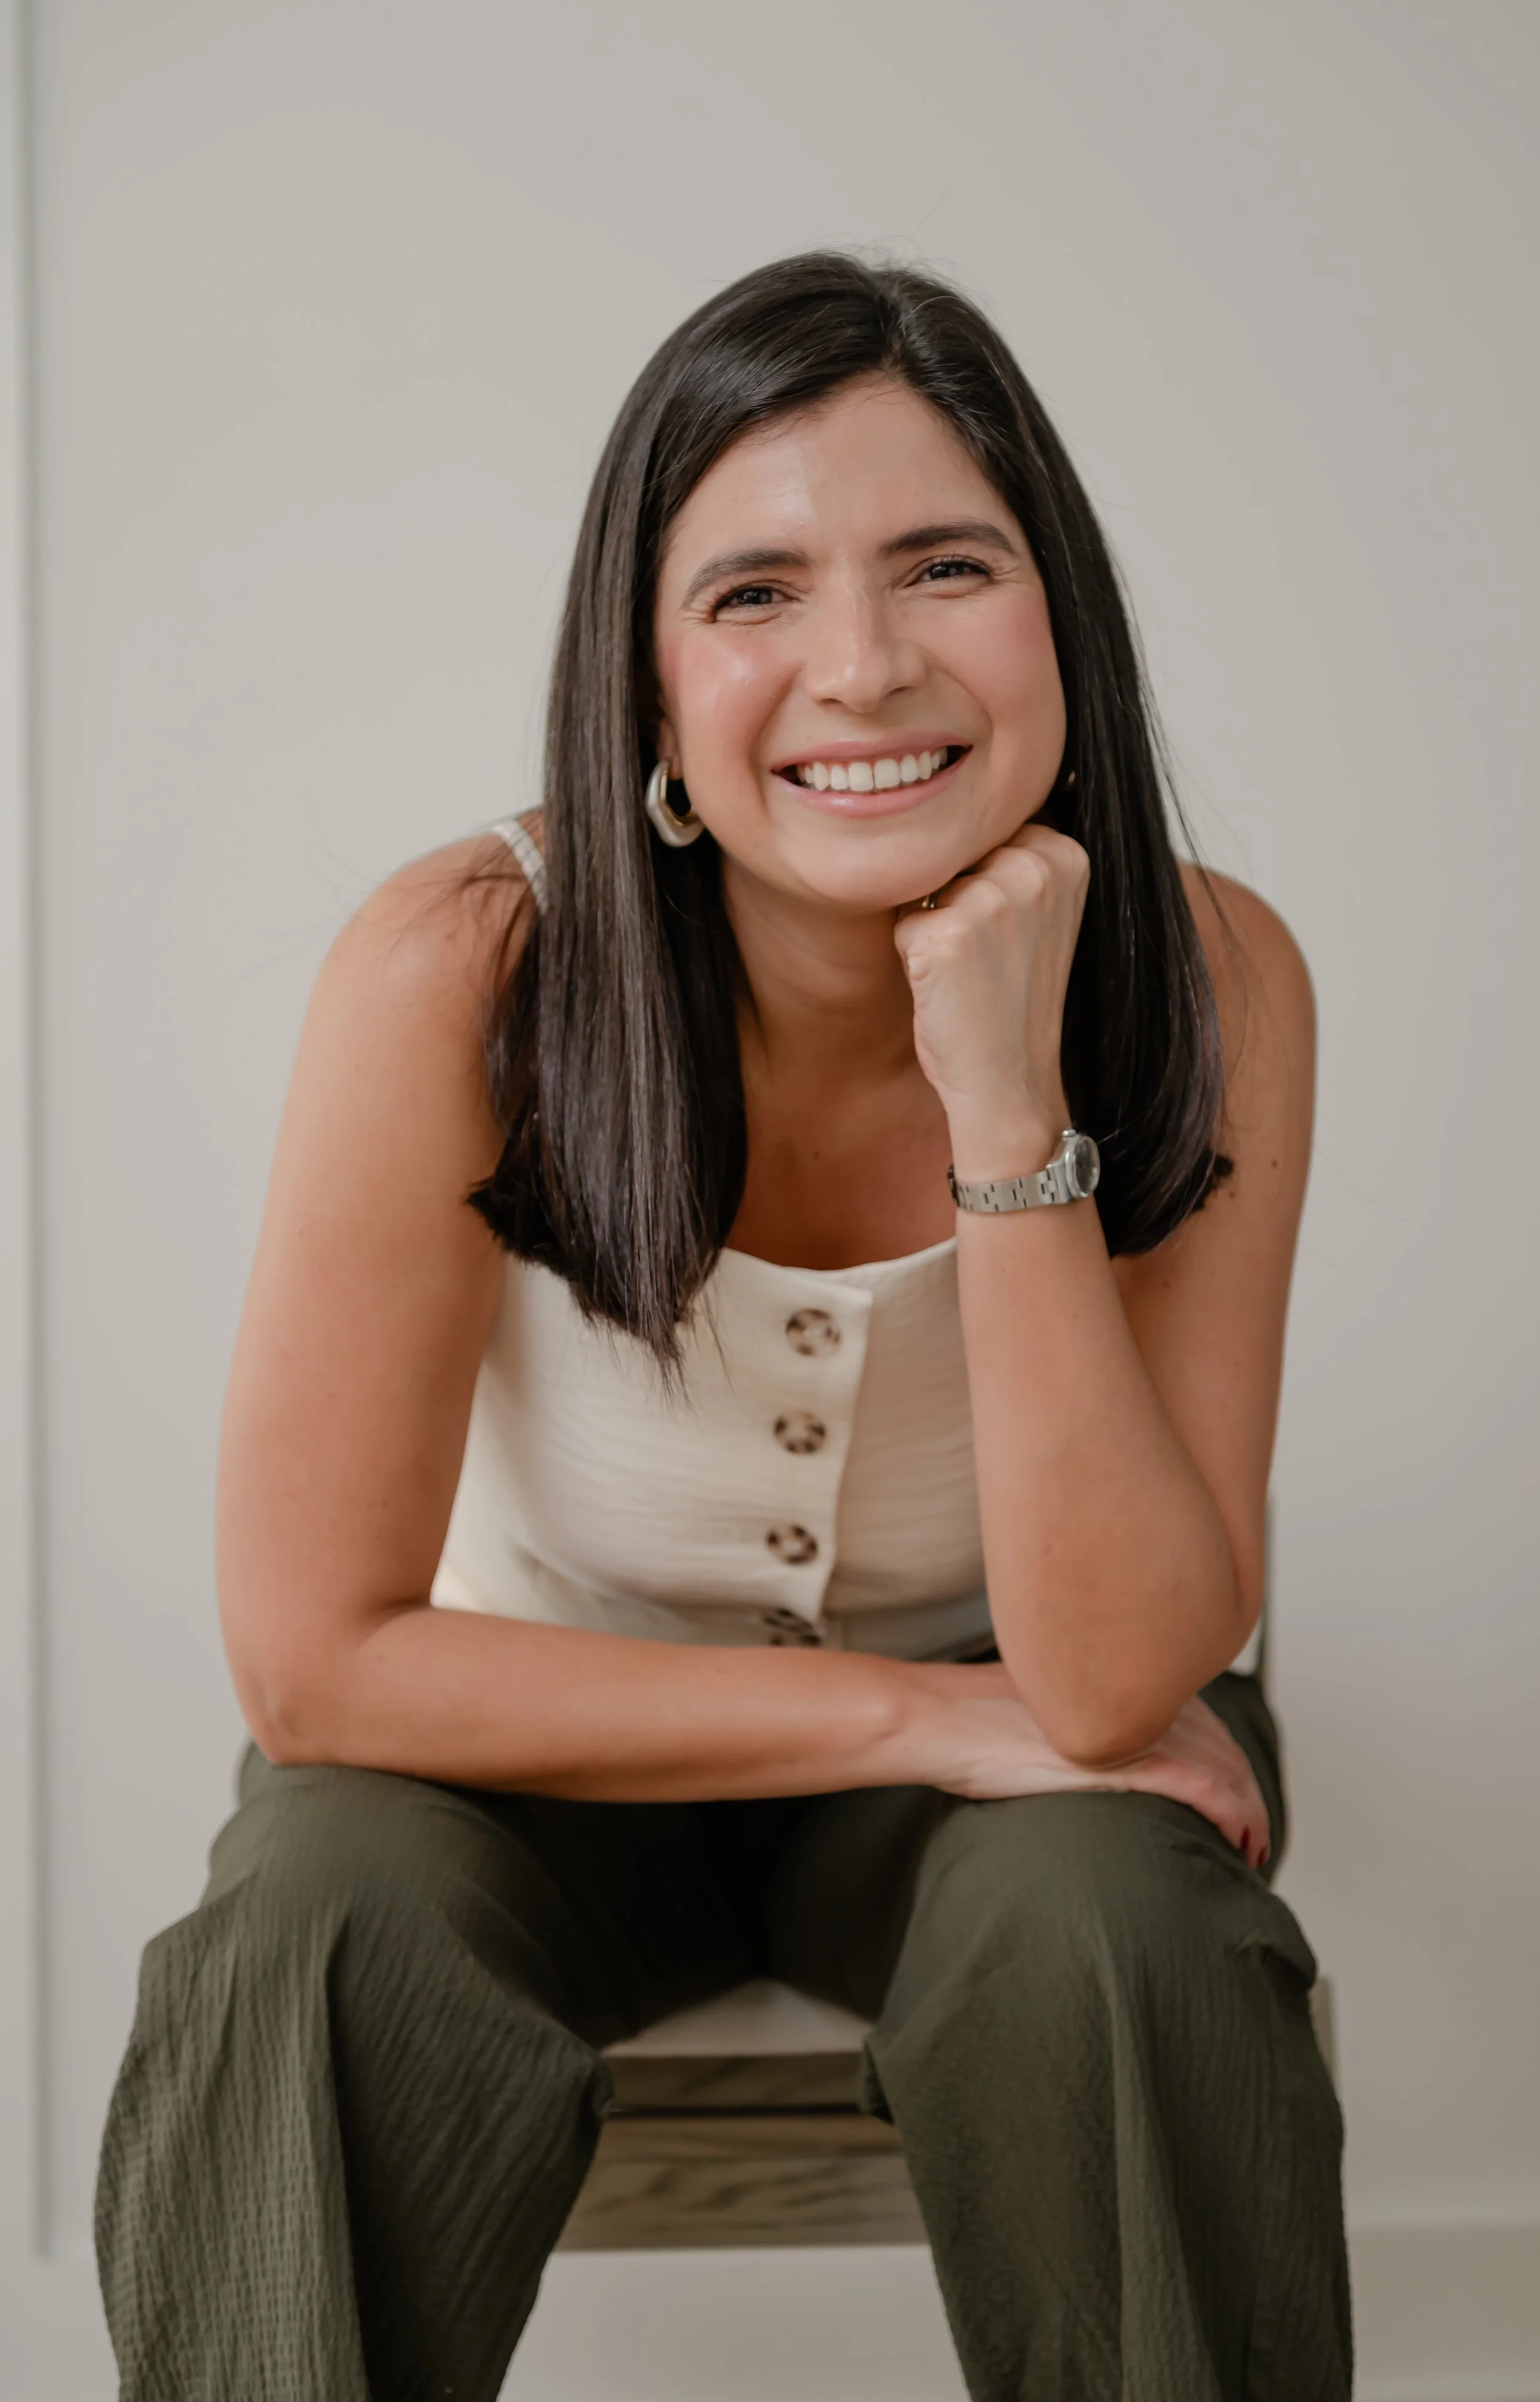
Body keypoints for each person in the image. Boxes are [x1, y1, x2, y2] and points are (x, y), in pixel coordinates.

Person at [94, 251, 1349, 2401]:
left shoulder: (1209, 981)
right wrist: (915, 1720)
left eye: (943, 564)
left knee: (1122, 1930)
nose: (859, 667)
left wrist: (1008, 1099)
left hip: (1012, 1767)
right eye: (753, 593)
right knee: (309, 1920)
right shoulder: (460, 969)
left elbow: (1122, 1676)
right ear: (649, 682)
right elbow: (317, 1667)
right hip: (529, 1765)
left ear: (1060, 620)